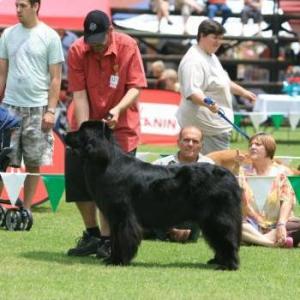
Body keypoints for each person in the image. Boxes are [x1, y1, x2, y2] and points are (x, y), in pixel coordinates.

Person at [65, 10, 147, 258]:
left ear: (110, 31)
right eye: (92, 42)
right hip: (87, 123)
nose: (96, 48)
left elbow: (136, 87)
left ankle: (110, 240)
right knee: (79, 177)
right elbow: (79, 95)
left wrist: (118, 109)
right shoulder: (78, 50)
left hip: (120, 124)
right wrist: (86, 135)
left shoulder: (127, 45)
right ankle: (92, 234)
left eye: (100, 43)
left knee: (114, 186)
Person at [0, 0, 64, 210]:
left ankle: (26, 210)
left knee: (34, 162)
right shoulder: (8, 34)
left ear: (36, 5)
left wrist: (51, 110)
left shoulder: (50, 36)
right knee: (2, 160)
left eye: (23, 5)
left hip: (38, 108)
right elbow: (2, 73)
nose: (18, 10)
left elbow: (56, 78)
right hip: (9, 108)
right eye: (16, 5)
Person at [176, 19, 256, 154]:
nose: (218, 42)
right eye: (214, 37)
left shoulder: (210, 56)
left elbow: (223, 81)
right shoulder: (194, 61)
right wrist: (209, 103)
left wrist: (243, 92)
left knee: (212, 170)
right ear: (201, 36)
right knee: (214, 170)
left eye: (221, 38)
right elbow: (192, 93)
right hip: (205, 127)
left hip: (215, 125)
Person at [149, 126, 214, 242]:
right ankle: (172, 232)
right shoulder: (161, 164)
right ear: (178, 143)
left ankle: (168, 233)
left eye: (195, 141)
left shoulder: (209, 166)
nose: (190, 144)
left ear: (201, 145)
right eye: (186, 140)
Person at [237, 133, 300, 248]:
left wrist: (281, 224)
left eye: (258, 144)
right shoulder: (241, 172)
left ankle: (254, 239)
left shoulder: (280, 173)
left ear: (269, 149)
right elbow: (234, 199)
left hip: (276, 225)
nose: (252, 147)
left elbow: (287, 201)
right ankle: (271, 243)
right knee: (232, 224)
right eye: (251, 144)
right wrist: (237, 168)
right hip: (249, 225)